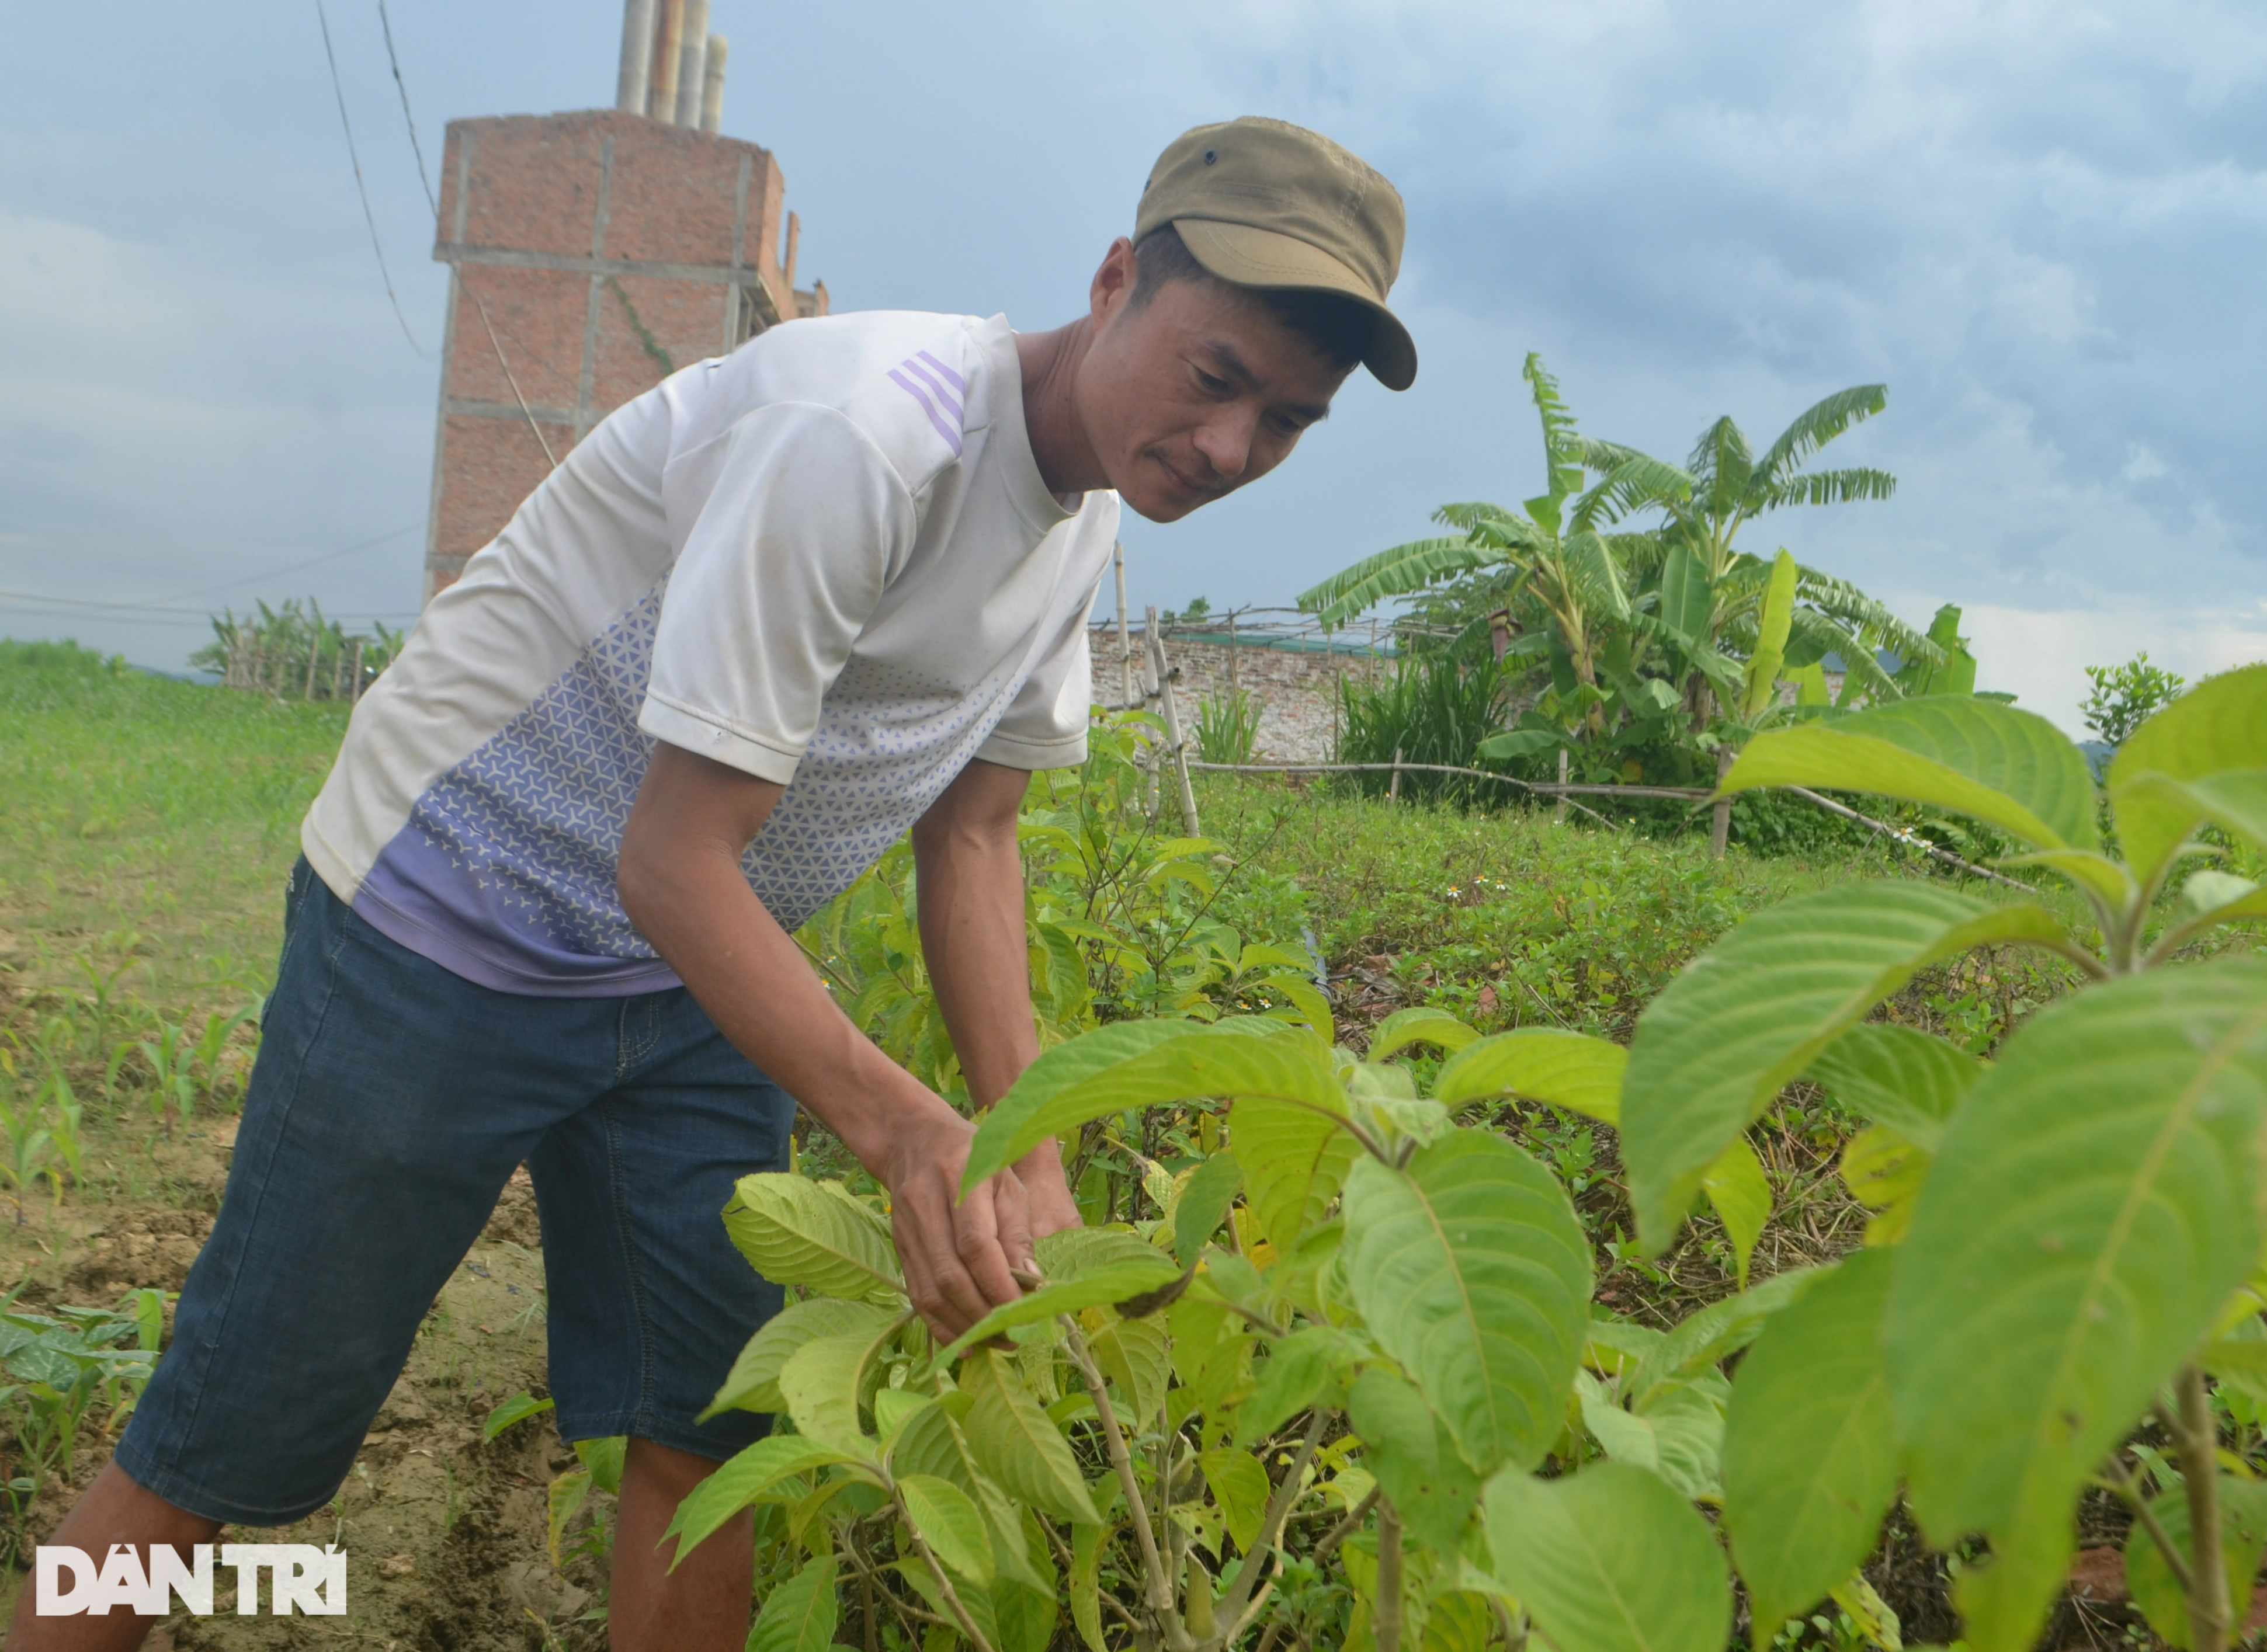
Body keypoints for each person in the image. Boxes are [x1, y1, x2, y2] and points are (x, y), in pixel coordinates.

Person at [12, 116, 1413, 1651]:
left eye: (1283, 422)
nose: (1228, 451)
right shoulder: (868, 435)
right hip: (446, 919)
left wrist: (1031, 1147)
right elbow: (670, 856)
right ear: (1113, 281)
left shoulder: (1079, 523)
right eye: (1214, 378)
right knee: (225, 1437)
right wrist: (902, 1127)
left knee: (714, 1429)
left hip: (685, 984)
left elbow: (977, 836)